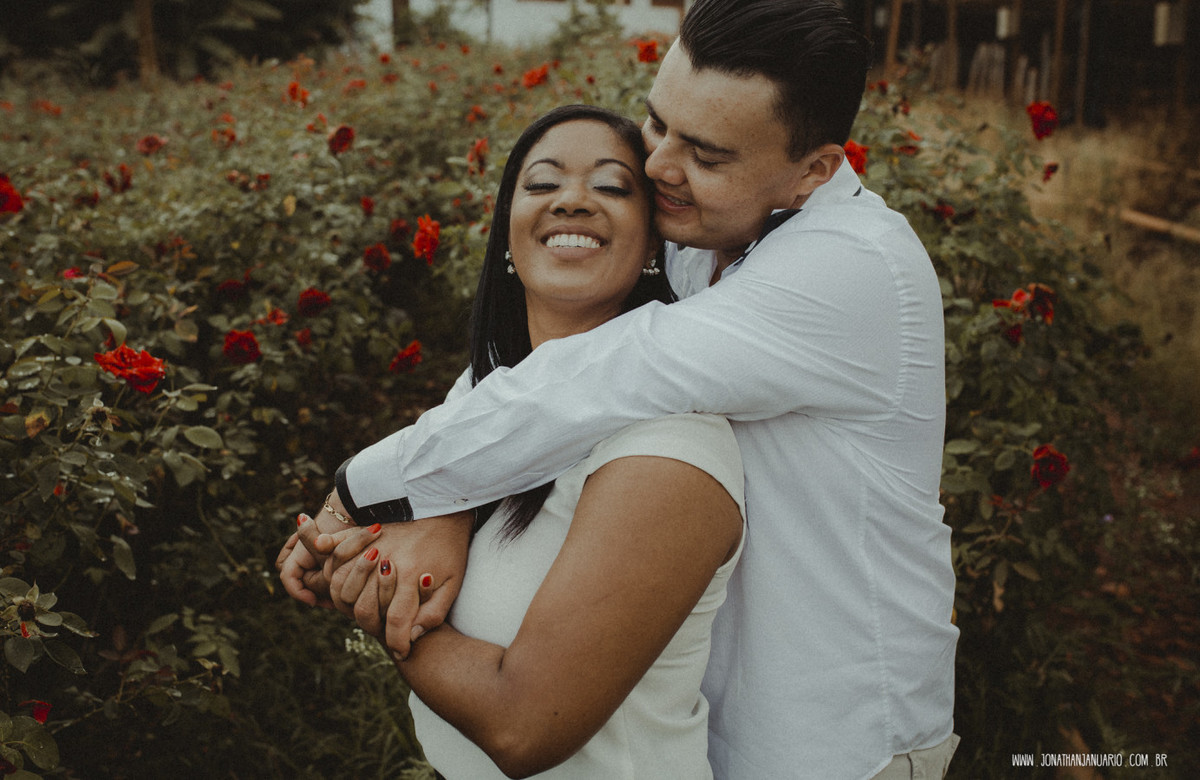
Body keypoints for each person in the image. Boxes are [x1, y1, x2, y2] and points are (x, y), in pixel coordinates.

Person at [281, 1, 960, 777]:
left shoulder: (850, 269)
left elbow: (601, 374)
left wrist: (365, 489)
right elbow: (540, 359)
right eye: (657, 122)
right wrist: (444, 503)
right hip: (702, 727)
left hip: (833, 741)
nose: (660, 165)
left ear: (815, 170)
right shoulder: (707, 229)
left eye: (704, 153)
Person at [285, 105, 747, 778]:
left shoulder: (670, 450)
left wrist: (383, 609)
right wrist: (417, 526)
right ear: (507, 228)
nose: (573, 201)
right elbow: (433, 501)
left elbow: (522, 726)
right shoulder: (482, 390)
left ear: (654, 245)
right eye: (542, 184)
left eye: (614, 187)